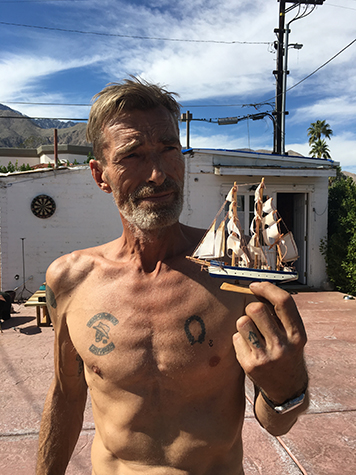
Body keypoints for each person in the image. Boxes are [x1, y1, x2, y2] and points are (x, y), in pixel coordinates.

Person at [36, 77, 309, 475]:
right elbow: (65, 396)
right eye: (133, 155)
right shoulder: (70, 280)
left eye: (168, 149)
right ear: (100, 175)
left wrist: (290, 387)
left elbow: (276, 419)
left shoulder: (235, 277)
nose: (158, 174)